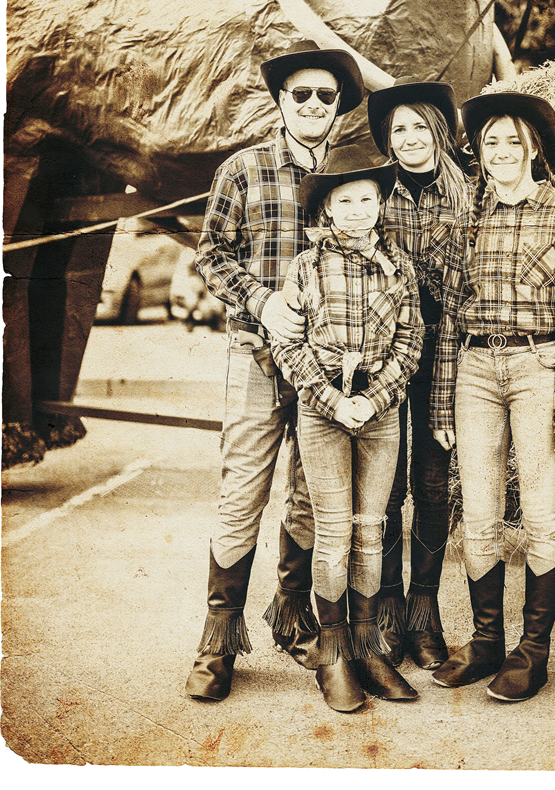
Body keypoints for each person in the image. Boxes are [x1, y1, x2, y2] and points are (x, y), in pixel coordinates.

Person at [185, 38, 364, 701]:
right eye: (301, 93)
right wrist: (262, 302)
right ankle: (218, 641)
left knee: (313, 496)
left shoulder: (352, 176)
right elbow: (211, 253)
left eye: (326, 95)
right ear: (282, 101)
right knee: (242, 492)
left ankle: (292, 617)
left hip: (326, 371)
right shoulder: (243, 169)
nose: (314, 104)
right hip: (257, 355)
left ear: (338, 105)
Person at [428, 82, 555, 703]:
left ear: (533, 150)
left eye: (511, 142)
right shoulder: (468, 221)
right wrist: (442, 401)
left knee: (543, 513)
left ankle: (534, 652)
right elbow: (451, 317)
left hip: (537, 367)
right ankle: (487, 641)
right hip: (474, 369)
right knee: (480, 514)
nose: (499, 151)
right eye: (489, 141)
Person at [271, 146, 424, 712]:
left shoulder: (398, 266)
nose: (358, 210)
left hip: (379, 412)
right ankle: (333, 654)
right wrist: (335, 401)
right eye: (346, 201)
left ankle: (366, 646)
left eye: (367, 199)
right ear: (327, 209)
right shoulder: (305, 267)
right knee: (333, 533)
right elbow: (288, 345)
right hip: (324, 409)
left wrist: (374, 399)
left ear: (379, 204)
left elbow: (411, 341)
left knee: (370, 531)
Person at [365, 78, 472, 669]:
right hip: (387, 352)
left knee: (433, 481)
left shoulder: (469, 194)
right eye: (398, 129)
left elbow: (466, 295)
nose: (409, 138)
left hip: (445, 353)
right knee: (386, 482)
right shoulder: (377, 194)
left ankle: (423, 607)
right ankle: (386, 605)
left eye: (418, 126)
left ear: (439, 130)